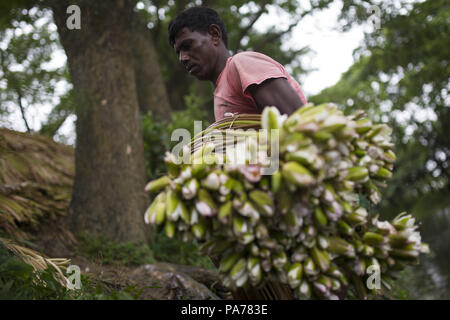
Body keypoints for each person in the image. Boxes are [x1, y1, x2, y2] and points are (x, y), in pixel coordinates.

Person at [168, 6, 307, 122]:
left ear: (214, 35)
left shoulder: (242, 64)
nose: (182, 58)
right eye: (178, 53)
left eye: (187, 46)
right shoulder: (219, 92)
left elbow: (299, 122)